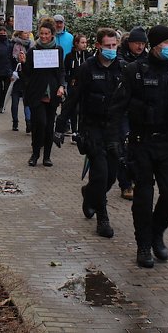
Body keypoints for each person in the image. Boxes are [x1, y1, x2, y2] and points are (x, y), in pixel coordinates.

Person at [109, 24, 168, 268]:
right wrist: (114, 140)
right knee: (143, 197)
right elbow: (117, 108)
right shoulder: (135, 71)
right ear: (155, 46)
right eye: (167, 43)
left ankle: (157, 233)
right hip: (141, 142)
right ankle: (143, 245)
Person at [55, 28, 124, 238]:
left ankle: (89, 193)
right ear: (98, 46)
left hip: (114, 129)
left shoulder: (123, 68)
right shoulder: (87, 68)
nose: (111, 49)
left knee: (111, 176)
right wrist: (60, 125)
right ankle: (103, 218)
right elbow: (73, 98)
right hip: (92, 128)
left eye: (114, 46)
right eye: (107, 46)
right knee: (100, 174)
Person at [19, 20, 65, 167]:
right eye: (42, 33)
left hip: (52, 93)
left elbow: (61, 71)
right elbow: (27, 74)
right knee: (40, 123)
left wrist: (61, 86)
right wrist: (24, 63)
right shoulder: (33, 50)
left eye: (47, 34)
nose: (44, 36)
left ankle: (47, 157)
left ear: (52, 35)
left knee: (49, 125)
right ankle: (35, 154)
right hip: (36, 93)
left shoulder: (58, 50)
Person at [116, 26, 149, 201]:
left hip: (141, 111)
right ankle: (125, 184)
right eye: (137, 43)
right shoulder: (120, 58)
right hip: (123, 110)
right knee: (124, 145)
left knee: (139, 148)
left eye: (143, 43)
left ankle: (136, 179)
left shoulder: (148, 60)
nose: (140, 46)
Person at [63, 33, 90, 133]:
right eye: (82, 42)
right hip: (73, 86)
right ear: (76, 43)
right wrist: (70, 80)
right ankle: (74, 130)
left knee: (83, 108)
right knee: (73, 108)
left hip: (85, 85)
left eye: (85, 42)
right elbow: (65, 71)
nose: (84, 45)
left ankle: (82, 130)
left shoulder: (88, 56)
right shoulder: (69, 56)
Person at [10, 30, 33, 132]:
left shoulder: (32, 45)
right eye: (25, 33)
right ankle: (15, 121)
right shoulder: (14, 45)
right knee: (15, 100)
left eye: (28, 33)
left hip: (27, 77)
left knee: (27, 100)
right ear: (19, 34)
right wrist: (10, 73)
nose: (27, 35)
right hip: (16, 76)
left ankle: (28, 122)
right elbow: (10, 60)